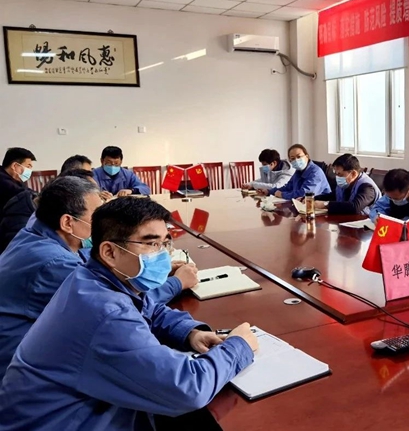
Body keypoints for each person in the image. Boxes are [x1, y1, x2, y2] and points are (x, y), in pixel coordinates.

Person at [0, 197, 258, 430]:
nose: (162, 255)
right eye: (151, 244)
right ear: (110, 252)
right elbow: (188, 389)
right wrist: (238, 346)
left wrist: (189, 333)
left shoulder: (93, 277)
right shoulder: (105, 312)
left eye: (165, 243)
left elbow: (148, 307)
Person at [0, 179, 198, 380]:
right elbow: (119, 303)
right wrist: (177, 283)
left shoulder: (39, 231)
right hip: (22, 369)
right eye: (96, 217)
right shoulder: (55, 263)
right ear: (68, 223)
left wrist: (139, 265)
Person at [258, 144, 331, 199]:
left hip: (319, 208)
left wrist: (282, 195)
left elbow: (304, 194)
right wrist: (269, 191)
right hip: (301, 205)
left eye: (299, 157)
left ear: (307, 156)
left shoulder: (315, 172)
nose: (296, 160)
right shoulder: (298, 171)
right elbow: (288, 187)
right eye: (292, 158)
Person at [315, 154, 380, 215]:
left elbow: (355, 207)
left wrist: (325, 204)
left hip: (368, 221)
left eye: (339, 174)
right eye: (336, 174)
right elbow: (334, 196)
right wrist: (313, 199)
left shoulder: (367, 187)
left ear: (353, 174)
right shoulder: (346, 183)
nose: (337, 177)